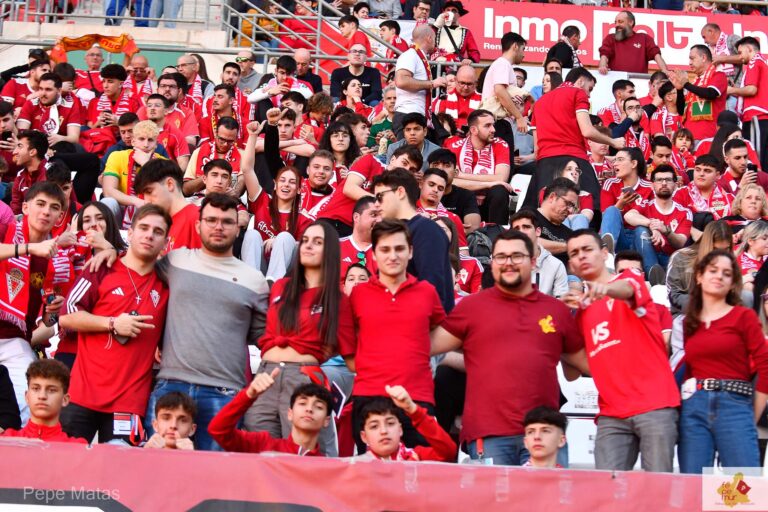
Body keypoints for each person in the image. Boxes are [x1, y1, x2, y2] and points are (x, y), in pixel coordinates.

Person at [111, 193, 269, 451]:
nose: (218, 227)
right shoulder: (175, 261)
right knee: (157, 469)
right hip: (170, 384)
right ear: (198, 225)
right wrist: (109, 252)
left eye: (227, 222)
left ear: (238, 227)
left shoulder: (255, 280)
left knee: (216, 472)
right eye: (211, 220)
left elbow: (262, 336)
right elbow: (137, 265)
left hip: (225, 391)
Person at [430, 229, 586, 465]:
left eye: (517, 256)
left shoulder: (556, 310)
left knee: (548, 493)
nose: (508, 263)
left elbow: (580, 367)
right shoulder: (471, 308)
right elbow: (425, 346)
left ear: (533, 262)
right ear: (492, 262)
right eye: (501, 256)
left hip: (545, 433)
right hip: (489, 434)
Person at [564, 229, 680, 472]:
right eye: (574, 253)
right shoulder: (581, 313)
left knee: (658, 487)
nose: (581, 256)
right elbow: (573, 373)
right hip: (611, 412)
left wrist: (603, 289)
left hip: (654, 404)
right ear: (571, 265)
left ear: (604, 253)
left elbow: (626, 289)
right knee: (607, 489)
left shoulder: (629, 278)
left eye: (587, 249)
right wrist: (558, 329)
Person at [241, 220, 355, 457]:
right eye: (305, 241)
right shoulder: (280, 287)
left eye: (318, 242)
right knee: (259, 453)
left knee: (304, 455)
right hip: (265, 375)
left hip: (303, 377)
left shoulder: (337, 300)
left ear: (330, 251)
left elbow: (351, 358)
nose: (308, 246)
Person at [59, 204, 170, 445]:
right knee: (65, 464)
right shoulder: (101, 267)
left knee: (121, 468)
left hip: (129, 401)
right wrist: (112, 323)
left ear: (166, 242)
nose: (149, 235)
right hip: (82, 392)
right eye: (143, 228)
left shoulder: (168, 283)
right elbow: (66, 316)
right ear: (129, 233)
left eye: (158, 231)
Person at [344, 219, 447, 451]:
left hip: (417, 399)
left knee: (418, 470)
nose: (393, 256)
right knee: (372, 472)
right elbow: (346, 339)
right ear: (373, 255)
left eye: (399, 249)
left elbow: (441, 331)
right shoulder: (358, 295)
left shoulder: (427, 292)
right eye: (385, 249)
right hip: (369, 395)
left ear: (410, 252)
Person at [678, 250, 768, 474]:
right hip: (694, 406)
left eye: (727, 273)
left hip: (735, 403)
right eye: (713, 270)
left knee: (742, 487)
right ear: (699, 276)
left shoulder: (744, 317)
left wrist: (752, 415)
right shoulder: (691, 321)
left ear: (732, 283)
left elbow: (766, 366)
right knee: (694, 485)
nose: (719, 276)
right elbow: (690, 370)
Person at [0, 182, 74, 423]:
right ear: (25, 207)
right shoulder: (5, 230)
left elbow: (49, 323)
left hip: (15, 341)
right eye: (40, 204)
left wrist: (52, 311)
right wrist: (30, 248)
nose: (46, 212)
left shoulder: (57, 260)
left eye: (54, 208)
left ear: (60, 216)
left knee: (29, 407)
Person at [525, 67, 625, 211]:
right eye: (590, 89)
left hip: (544, 162)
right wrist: (613, 142)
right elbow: (587, 130)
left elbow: (537, 148)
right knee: (595, 207)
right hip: (574, 157)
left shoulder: (539, 103)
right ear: (581, 81)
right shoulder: (577, 93)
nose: (589, 95)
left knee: (539, 211)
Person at [372, 169, 454, 312]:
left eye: (380, 197)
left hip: (422, 322)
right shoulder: (398, 232)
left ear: (400, 192)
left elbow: (432, 292)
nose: (376, 204)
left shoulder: (426, 230)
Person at [209, 372, 332, 456]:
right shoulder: (263, 445)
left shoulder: (327, 466)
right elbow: (218, 430)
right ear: (290, 413)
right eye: (302, 403)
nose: (309, 409)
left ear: (326, 420)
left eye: (318, 407)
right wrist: (248, 396)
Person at [317, 144, 422, 237]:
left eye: (412, 170)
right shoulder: (371, 161)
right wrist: (386, 200)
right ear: (393, 159)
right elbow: (349, 188)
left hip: (363, 234)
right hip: (334, 220)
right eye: (404, 163)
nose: (406, 169)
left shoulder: (402, 190)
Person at [354, 385, 457, 461]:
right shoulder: (358, 466)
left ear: (400, 429)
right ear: (364, 437)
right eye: (374, 426)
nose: (384, 431)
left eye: (390, 423)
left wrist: (413, 410)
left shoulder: (416, 456)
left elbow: (448, 452)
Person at [444, 110, 511, 225]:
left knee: (499, 190)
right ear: (473, 130)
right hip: (463, 202)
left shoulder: (500, 144)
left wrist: (462, 175)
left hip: (488, 203)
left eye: (493, 125)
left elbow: (501, 178)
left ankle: (497, 232)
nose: (493, 130)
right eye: (487, 126)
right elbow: (448, 181)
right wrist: (488, 184)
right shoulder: (454, 146)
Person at [624, 164, 693, 276]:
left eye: (668, 180)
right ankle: (653, 272)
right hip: (645, 256)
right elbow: (629, 216)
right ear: (652, 185)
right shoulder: (646, 204)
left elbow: (680, 242)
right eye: (659, 180)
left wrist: (665, 230)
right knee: (640, 229)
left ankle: (656, 275)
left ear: (675, 185)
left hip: (670, 260)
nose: (664, 183)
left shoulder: (685, 212)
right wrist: (652, 224)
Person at [101, 120, 167, 229]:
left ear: (156, 144)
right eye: (141, 139)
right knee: (107, 202)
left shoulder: (164, 163)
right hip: (123, 207)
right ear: (133, 142)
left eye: (150, 140)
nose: (146, 145)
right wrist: (136, 201)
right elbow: (108, 191)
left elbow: (165, 195)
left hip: (152, 210)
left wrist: (146, 164)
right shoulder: (117, 156)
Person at [0, 359, 85, 443]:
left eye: (52, 390)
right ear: (27, 396)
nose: (42, 396)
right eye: (36, 388)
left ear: (65, 399)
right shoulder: (5, 441)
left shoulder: (77, 447)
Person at [133, 159, 202, 255]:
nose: (146, 201)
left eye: (149, 192)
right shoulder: (160, 226)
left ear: (170, 184)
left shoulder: (197, 218)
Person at [667, 220, 733, 317]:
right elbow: (673, 295)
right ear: (707, 244)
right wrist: (702, 305)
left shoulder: (730, 262)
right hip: (686, 314)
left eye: (725, 249)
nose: (721, 254)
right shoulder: (681, 257)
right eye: (715, 249)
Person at [393, 25, 447, 138]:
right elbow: (401, 81)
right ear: (429, 38)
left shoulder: (418, 56)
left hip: (419, 114)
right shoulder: (410, 55)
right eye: (434, 38)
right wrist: (432, 83)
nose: (435, 43)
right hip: (408, 114)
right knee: (409, 151)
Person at [599, 147, 655, 254]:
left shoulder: (650, 187)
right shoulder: (610, 184)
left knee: (640, 230)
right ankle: (607, 253)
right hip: (619, 235)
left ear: (633, 164)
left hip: (641, 234)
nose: (615, 164)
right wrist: (620, 204)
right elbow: (606, 218)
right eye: (615, 160)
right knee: (611, 210)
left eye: (620, 159)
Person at [668, 45, 727, 143]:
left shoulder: (718, 74)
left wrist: (686, 84)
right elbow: (681, 111)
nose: (690, 63)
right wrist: (679, 90)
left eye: (692, 58)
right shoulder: (695, 82)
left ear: (703, 58)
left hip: (708, 138)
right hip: (689, 139)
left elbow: (711, 93)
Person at [728, 37, 768, 172]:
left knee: (755, 160)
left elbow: (751, 90)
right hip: (761, 117)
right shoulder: (763, 62)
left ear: (750, 49)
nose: (739, 57)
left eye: (740, 53)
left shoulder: (754, 61)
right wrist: (736, 91)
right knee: (764, 161)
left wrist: (731, 90)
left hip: (756, 117)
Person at [510, 210, 568, 297]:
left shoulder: (556, 265)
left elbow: (561, 301)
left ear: (538, 231)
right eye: (516, 229)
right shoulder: (504, 262)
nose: (521, 232)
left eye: (526, 227)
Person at [16, 73, 81, 148]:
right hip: (33, 146)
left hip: (59, 147)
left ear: (59, 91)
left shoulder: (70, 106)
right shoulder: (30, 104)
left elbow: (74, 138)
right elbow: (21, 133)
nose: (43, 93)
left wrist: (60, 138)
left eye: (48, 89)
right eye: (41, 89)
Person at [481, 32, 527, 135]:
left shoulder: (503, 64)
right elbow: (499, 91)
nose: (524, 54)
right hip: (497, 121)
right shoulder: (503, 63)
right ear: (515, 46)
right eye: (523, 49)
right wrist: (519, 117)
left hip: (499, 121)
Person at [427, 149, 481, 233]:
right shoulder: (418, 193)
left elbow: (472, 228)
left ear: (455, 173)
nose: (440, 169)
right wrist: (455, 227)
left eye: (446, 165)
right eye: (435, 164)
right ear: (427, 171)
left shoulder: (466, 195)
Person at [598, 11, 668, 75]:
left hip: (638, 81)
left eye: (620, 22)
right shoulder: (610, 38)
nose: (617, 25)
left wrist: (664, 70)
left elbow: (656, 54)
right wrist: (603, 66)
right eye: (615, 22)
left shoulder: (644, 38)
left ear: (631, 22)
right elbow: (604, 54)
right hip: (616, 81)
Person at [674, 154, 734, 228]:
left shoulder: (729, 198)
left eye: (707, 171)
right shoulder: (680, 194)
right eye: (698, 170)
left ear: (718, 175)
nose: (701, 174)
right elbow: (675, 222)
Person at [534, 178, 580, 263]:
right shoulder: (528, 215)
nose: (570, 211)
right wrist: (568, 246)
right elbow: (526, 242)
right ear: (552, 197)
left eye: (573, 207)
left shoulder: (570, 234)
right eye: (568, 203)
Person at [145, 94, 190, 170]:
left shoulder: (176, 134)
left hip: (167, 173)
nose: (152, 108)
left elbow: (183, 165)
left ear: (166, 111)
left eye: (157, 105)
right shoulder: (139, 131)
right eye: (149, 106)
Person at [431, 65, 481, 133]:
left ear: (476, 83)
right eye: (462, 83)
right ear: (455, 80)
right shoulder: (442, 99)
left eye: (469, 84)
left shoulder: (483, 100)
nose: (465, 87)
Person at [10, 130, 49, 215]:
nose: (14, 152)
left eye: (20, 146)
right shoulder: (20, 176)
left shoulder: (52, 173)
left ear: (32, 152)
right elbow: (15, 209)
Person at [339, 196, 378, 281]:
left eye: (381, 216)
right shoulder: (334, 246)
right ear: (356, 217)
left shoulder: (386, 249)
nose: (379, 220)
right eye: (374, 215)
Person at [432, 1, 479, 66]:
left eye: (454, 11)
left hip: (455, 66)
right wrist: (436, 25)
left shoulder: (466, 31)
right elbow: (426, 40)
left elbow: (474, 52)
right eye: (448, 10)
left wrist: (470, 60)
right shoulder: (436, 28)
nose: (450, 12)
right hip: (436, 65)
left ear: (459, 14)